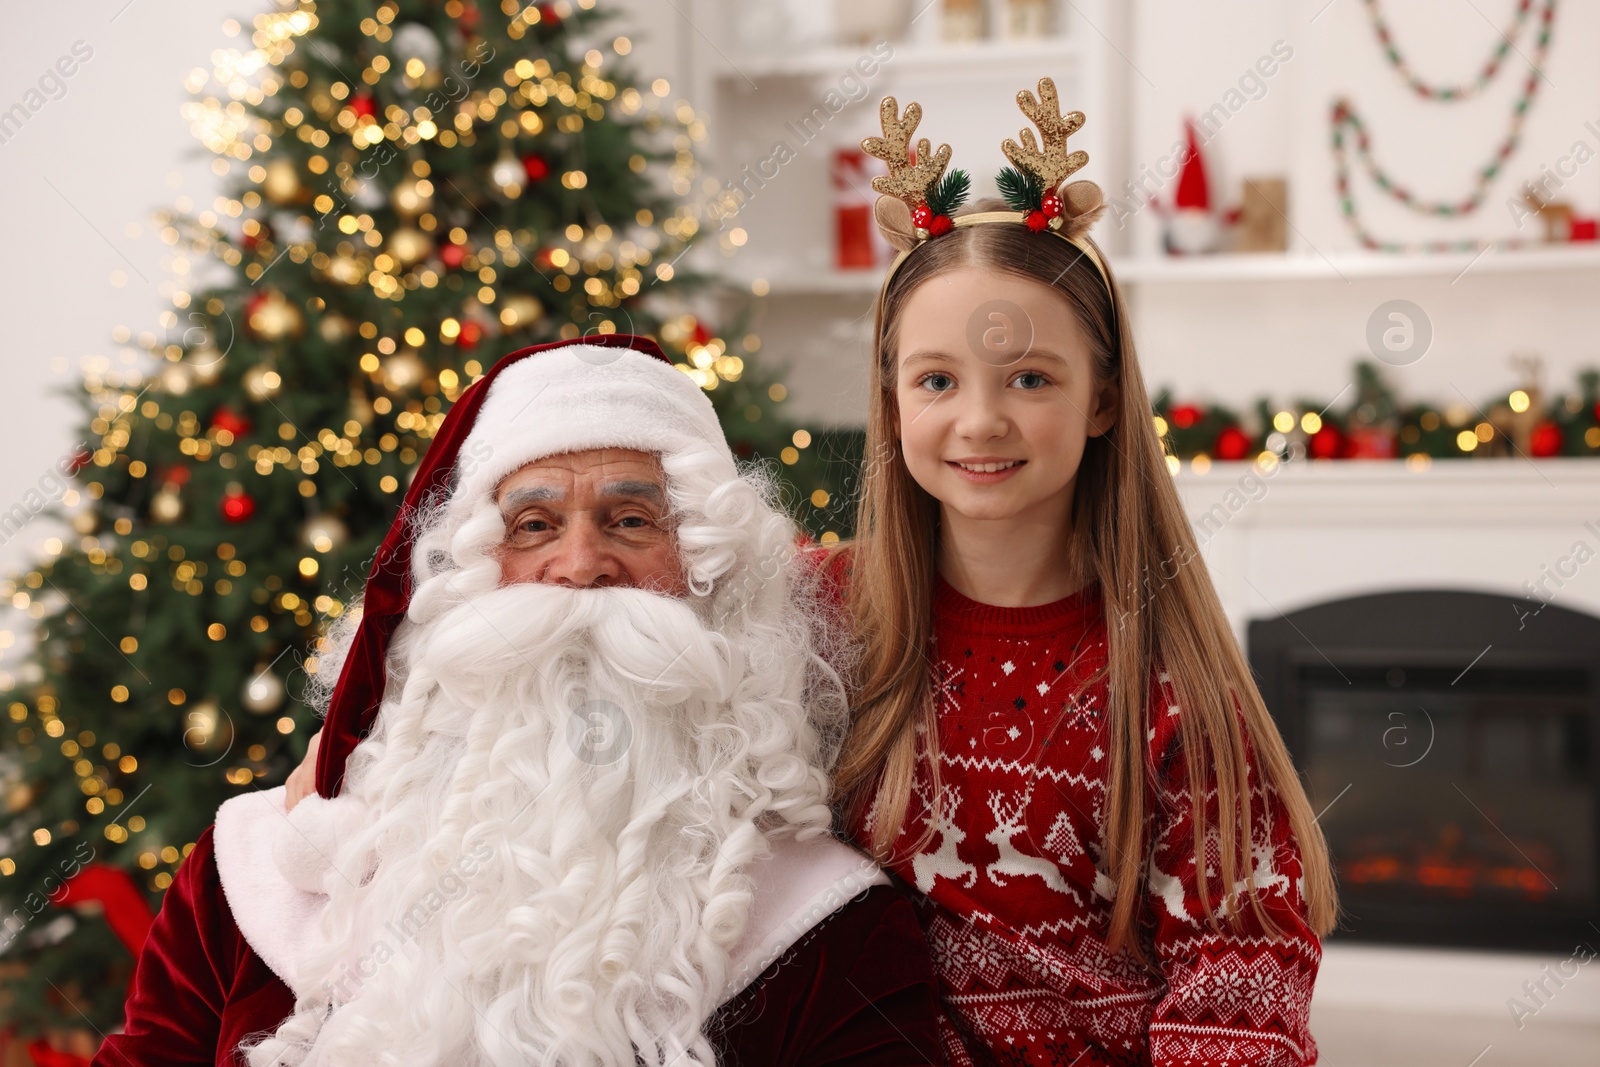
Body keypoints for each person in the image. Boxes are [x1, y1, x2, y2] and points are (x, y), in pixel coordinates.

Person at [93, 335, 944, 1067]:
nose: (580, 564)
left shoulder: (830, 932)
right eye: (533, 524)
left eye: (632, 520)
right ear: (466, 578)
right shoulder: (256, 874)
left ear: (714, 581)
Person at [819, 82, 1338, 1065]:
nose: (979, 421)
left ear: (1101, 400)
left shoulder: (1171, 687)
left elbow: (1238, 975)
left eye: (1029, 377)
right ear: (889, 405)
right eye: (937, 379)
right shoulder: (821, 622)